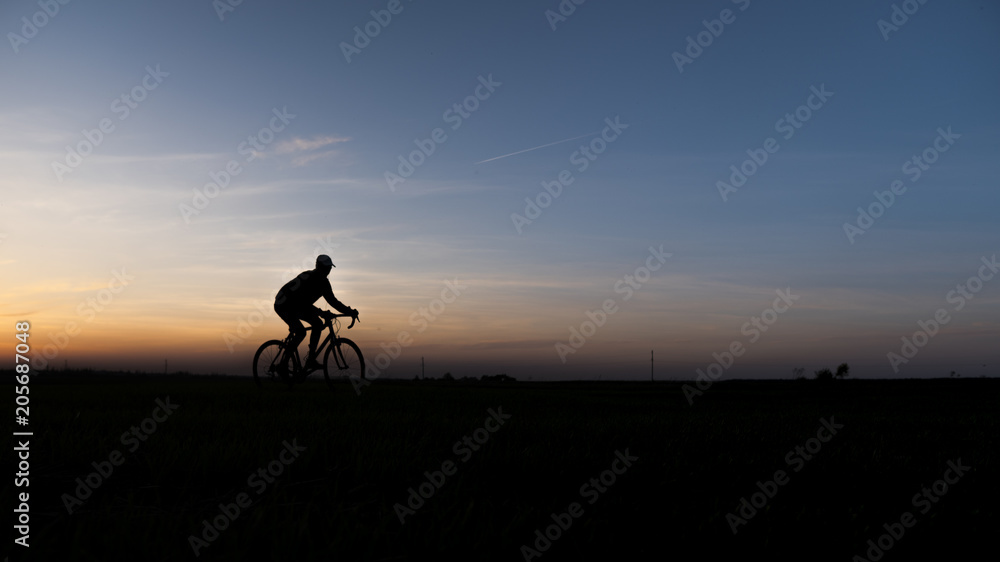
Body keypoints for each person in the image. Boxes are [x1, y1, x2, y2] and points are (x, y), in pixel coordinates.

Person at [274, 254, 358, 371]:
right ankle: (283, 364)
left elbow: (333, 301)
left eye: (329, 269)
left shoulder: (324, 283)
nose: (328, 271)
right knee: (300, 332)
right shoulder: (308, 278)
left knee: (317, 324)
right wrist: (321, 312)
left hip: (297, 305)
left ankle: (311, 359)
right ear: (318, 267)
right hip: (284, 305)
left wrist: (349, 311)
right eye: (326, 268)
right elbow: (302, 303)